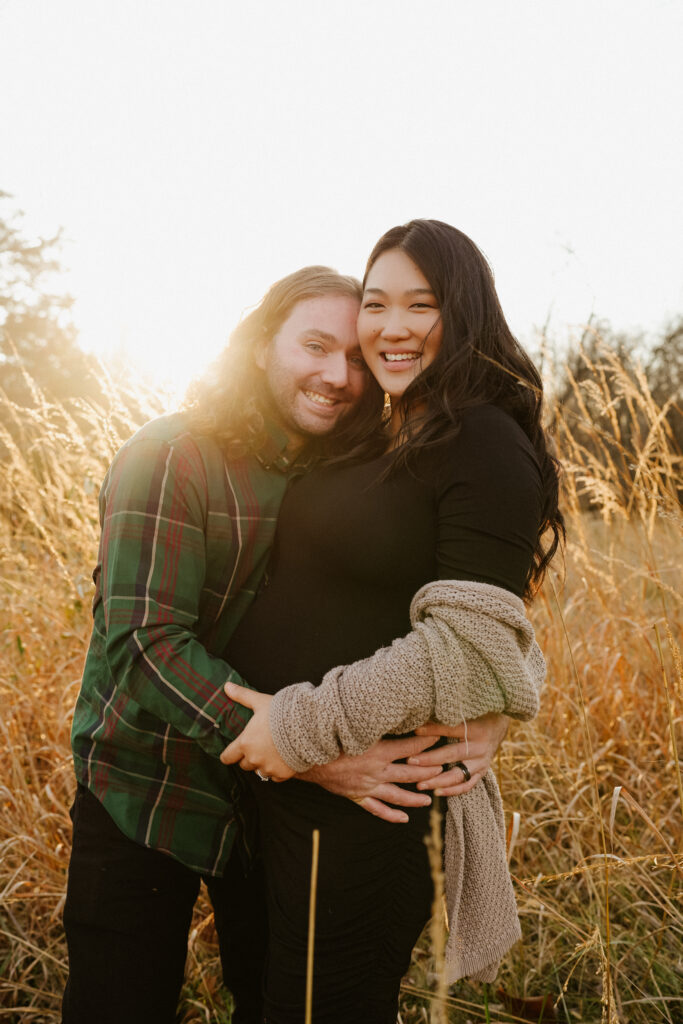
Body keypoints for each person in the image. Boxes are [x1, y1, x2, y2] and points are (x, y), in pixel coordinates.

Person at [61, 264, 508, 1024]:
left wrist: (489, 697)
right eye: (314, 346)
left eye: (356, 361)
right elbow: (142, 643)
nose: (337, 376)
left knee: (269, 998)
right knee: (119, 1001)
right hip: (149, 791)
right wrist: (306, 746)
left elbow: (451, 599)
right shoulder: (174, 455)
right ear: (263, 344)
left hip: (265, 806)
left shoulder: (344, 472)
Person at [221, 220, 565, 1023]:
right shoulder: (376, 428)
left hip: (363, 801)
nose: (390, 327)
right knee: (262, 999)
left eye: (421, 303)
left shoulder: (482, 439)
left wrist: (301, 726)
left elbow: (473, 644)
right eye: (375, 304)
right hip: (278, 787)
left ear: (465, 311)